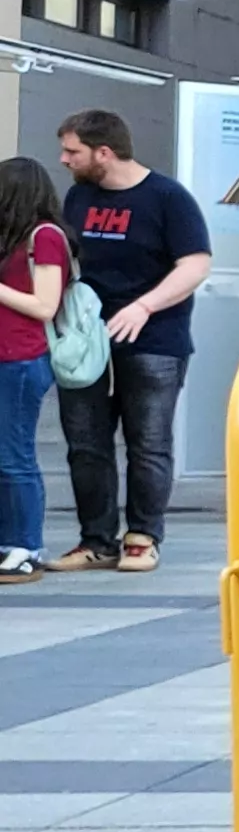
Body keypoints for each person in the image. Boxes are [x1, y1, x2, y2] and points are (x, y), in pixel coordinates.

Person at [47, 112, 209, 574]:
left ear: (104, 152)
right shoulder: (79, 196)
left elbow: (195, 265)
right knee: (86, 444)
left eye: (73, 151)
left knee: (149, 443)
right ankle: (95, 541)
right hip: (88, 341)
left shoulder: (167, 198)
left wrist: (145, 306)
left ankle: (142, 537)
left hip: (154, 339)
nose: (64, 160)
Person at [0, 157, 68, 583]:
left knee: (15, 456)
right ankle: (11, 542)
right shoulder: (12, 240)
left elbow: (45, 304)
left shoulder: (44, 237)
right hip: (7, 356)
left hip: (22, 359)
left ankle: (26, 544)